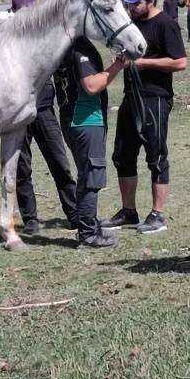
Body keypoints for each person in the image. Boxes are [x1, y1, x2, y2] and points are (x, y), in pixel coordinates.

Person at [103, 0, 187, 236]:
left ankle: (157, 215)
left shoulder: (166, 25)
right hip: (132, 97)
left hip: (156, 98)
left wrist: (143, 64)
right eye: (129, 4)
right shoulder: (132, 24)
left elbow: (180, 62)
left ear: (150, 1)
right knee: (122, 154)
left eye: (136, 4)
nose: (131, 8)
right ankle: (129, 211)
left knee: (156, 156)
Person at [9, 0, 80, 236]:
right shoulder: (9, 41)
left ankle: (74, 215)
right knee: (21, 168)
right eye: (23, 10)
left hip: (44, 110)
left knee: (60, 162)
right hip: (17, 114)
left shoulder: (46, 37)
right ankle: (30, 220)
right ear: (15, 12)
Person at [55, 31, 127, 247]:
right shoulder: (80, 49)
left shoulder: (63, 46)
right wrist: (117, 66)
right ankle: (87, 234)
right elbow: (92, 85)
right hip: (86, 119)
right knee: (91, 177)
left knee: (86, 175)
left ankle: (89, 225)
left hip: (73, 119)